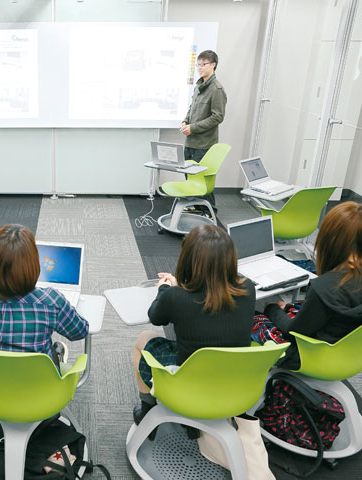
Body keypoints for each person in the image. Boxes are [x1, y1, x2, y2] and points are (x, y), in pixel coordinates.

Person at [131, 225, 255, 424]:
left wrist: (165, 288)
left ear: (187, 258)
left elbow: (155, 316)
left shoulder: (175, 297)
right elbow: (211, 291)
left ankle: (146, 409)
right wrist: (180, 285)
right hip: (235, 385)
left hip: (188, 386)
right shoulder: (247, 287)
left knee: (143, 339)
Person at [253, 201, 362, 370]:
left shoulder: (325, 288)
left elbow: (293, 331)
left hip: (313, 357)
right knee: (296, 306)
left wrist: (272, 309)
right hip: (351, 357)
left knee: (254, 318)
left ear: (330, 241)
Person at [0, 224, 89, 367]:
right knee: (52, 349)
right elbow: (79, 332)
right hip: (37, 384)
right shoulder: (51, 301)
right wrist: (64, 307)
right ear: (32, 265)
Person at [180, 50, 227, 163]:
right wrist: (185, 121)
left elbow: (217, 117)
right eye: (198, 65)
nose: (200, 68)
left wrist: (193, 128)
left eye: (203, 64)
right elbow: (192, 107)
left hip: (204, 146)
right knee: (188, 179)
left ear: (213, 65)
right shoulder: (198, 86)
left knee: (199, 179)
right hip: (190, 143)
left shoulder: (216, 89)